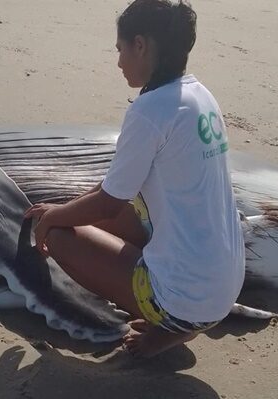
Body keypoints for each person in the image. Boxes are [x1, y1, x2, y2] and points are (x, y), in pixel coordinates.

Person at [23, 0, 245, 358]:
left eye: (120, 50)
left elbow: (110, 204)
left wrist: (52, 219)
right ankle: (180, 323)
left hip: (184, 300)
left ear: (140, 45)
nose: (119, 62)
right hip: (224, 291)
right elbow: (117, 187)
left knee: (62, 237)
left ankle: (168, 324)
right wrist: (65, 208)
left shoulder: (149, 111)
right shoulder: (199, 96)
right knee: (118, 209)